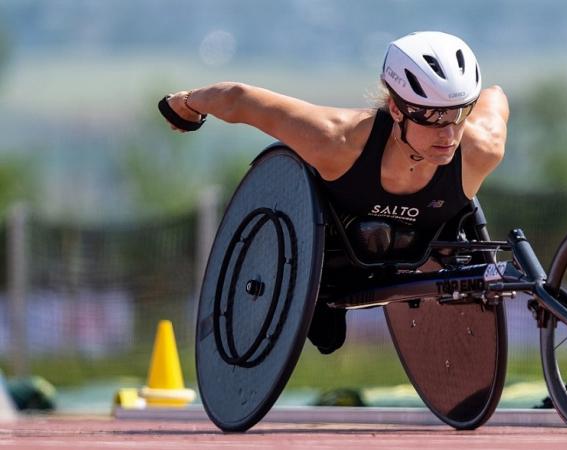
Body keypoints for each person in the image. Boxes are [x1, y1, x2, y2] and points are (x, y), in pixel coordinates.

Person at [161, 31, 509, 354]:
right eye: (432, 117)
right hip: (333, 256)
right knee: (328, 338)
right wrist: (187, 103)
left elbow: (496, 97)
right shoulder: (337, 142)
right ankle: (323, 301)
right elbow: (240, 100)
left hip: (422, 242)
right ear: (396, 110)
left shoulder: (482, 148)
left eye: (459, 114)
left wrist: (454, 105)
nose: (448, 135)